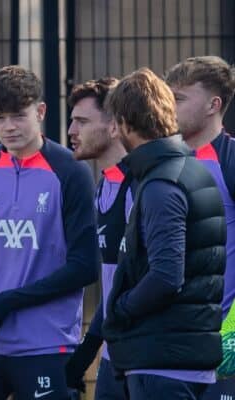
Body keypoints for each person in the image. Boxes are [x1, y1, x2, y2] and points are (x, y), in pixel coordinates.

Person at [0, 65, 98, 400]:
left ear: (40, 112)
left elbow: (85, 266)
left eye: (17, 116)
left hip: (47, 344)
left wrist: (4, 305)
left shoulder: (70, 171)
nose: (8, 127)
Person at [102, 67, 225, 400]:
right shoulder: (192, 170)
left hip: (161, 364)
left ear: (126, 123)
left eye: (115, 121)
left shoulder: (161, 184)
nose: (113, 130)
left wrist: (119, 309)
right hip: (184, 358)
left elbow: (167, 276)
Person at [165, 56, 235, 400]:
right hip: (167, 342)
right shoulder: (162, 161)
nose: (169, 106)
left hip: (222, 340)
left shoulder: (231, 160)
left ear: (213, 105)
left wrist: (233, 329)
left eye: (179, 98)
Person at [64, 77, 130, 400]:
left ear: (115, 125)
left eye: (82, 121)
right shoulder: (104, 187)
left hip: (145, 362)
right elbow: (113, 284)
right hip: (111, 360)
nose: (71, 131)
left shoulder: (143, 188)